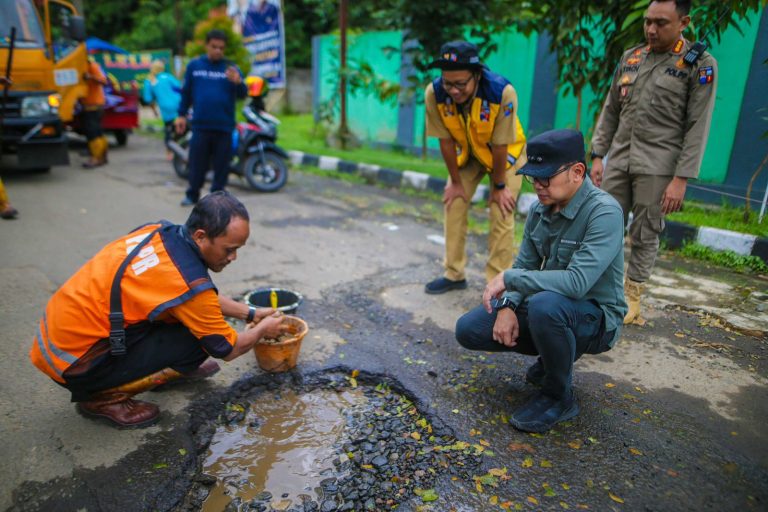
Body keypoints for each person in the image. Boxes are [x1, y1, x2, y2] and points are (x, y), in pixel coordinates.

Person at [29, 191, 288, 428]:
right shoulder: (187, 282)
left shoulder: (159, 232)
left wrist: (251, 314)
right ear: (200, 236)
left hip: (62, 336)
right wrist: (264, 328)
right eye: (229, 249)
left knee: (190, 322)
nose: (233, 257)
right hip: (75, 362)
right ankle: (102, 399)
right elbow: (228, 348)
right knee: (201, 342)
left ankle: (164, 370)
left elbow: (193, 299)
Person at [455, 129, 627, 433]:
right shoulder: (540, 209)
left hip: (594, 319)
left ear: (577, 172)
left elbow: (576, 283)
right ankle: (553, 359)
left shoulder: (605, 212)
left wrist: (509, 278)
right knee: (469, 329)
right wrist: (508, 304)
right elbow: (527, 264)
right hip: (553, 310)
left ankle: (558, 395)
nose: (537, 185)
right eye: (533, 178)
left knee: (546, 306)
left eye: (545, 178)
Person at [590, 0, 717, 325]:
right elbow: (611, 110)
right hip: (618, 159)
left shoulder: (699, 65)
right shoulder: (631, 57)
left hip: (658, 165)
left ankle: (631, 298)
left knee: (645, 232)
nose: (651, 29)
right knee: (605, 226)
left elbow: (697, 125)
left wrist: (681, 178)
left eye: (661, 22)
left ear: (684, 22)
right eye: (648, 22)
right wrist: (597, 155)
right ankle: (601, 291)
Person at [423, 41, 527, 295]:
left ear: (477, 75)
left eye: (461, 84)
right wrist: (456, 182)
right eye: (448, 83)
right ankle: (454, 273)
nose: (454, 90)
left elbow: (501, 143)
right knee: (454, 202)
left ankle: (498, 282)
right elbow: (445, 140)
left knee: (501, 210)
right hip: (469, 155)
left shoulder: (502, 92)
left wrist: (499, 186)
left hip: (507, 156)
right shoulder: (434, 94)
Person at [175, 30, 247, 207]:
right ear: (207, 45)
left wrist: (238, 82)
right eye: (214, 47)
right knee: (197, 163)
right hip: (201, 125)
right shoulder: (195, 66)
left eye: (221, 48)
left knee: (222, 166)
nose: (218, 51)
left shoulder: (231, 68)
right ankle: (192, 194)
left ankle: (216, 200)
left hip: (224, 126)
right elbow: (186, 93)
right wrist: (181, 115)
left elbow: (243, 94)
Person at [142, 59, 182, 160]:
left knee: (169, 129)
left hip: (165, 108)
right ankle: (179, 147)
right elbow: (180, 88)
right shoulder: (168, 77)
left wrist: (154, 111)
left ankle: (169, 152)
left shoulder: (149, 81)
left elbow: (148, 99)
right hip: (178, 104)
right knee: (180, 127)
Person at [81, 57, 110, 168]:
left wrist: (90, 77)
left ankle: (96, 158)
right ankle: (102, 156)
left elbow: (103, 80)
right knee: (97, 131)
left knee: (93, 132)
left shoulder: (92, 66)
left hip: (94, 106)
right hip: (89, 105)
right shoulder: (84, 67)